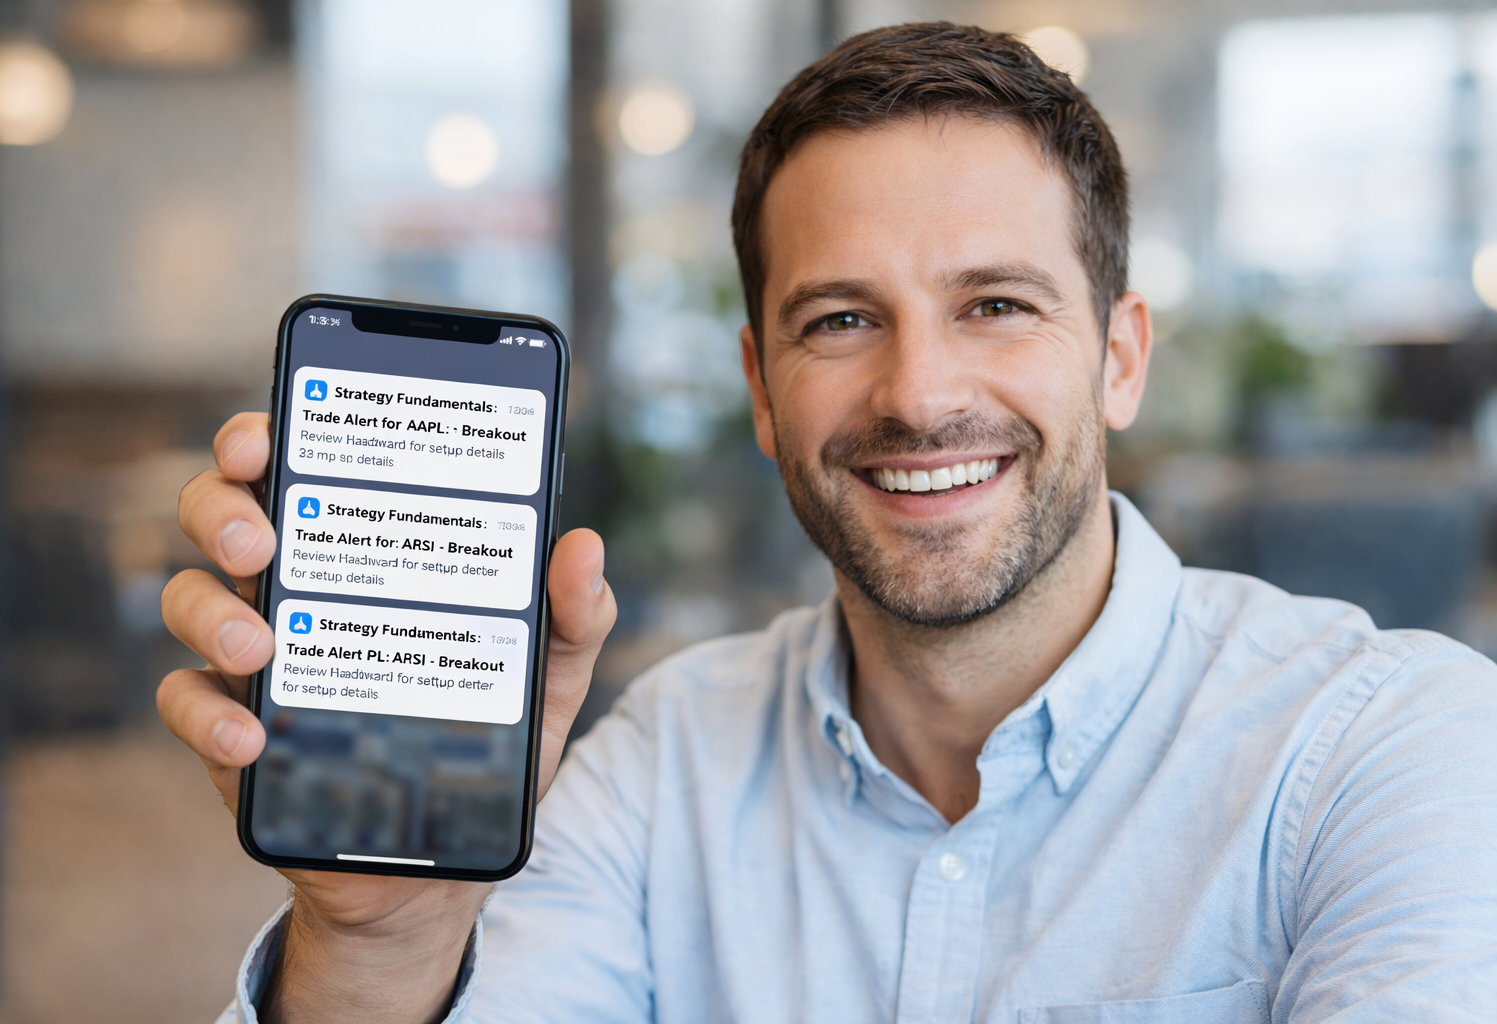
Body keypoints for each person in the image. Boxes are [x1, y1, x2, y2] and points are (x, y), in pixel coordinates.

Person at [161, 23, 1497, 1023]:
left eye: (998, 305)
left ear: (1122, 358)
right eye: (841, 320)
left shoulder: (1386, 751)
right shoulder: (653, 771)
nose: (919, 395)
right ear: (759, 387)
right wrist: (383, 941)